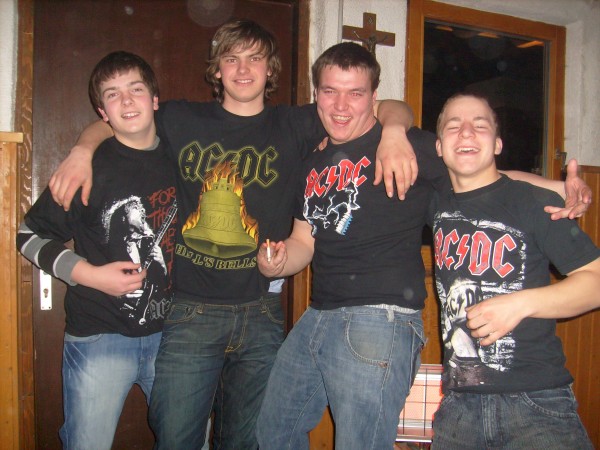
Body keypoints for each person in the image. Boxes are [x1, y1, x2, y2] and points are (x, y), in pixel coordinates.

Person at [45, 20, 418, 450]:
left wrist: (394, 132)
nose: (243, 69)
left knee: (245, 441)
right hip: (191, 312)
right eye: (231, 58)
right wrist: (82, 150)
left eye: (254, 58)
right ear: (217, 68)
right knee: (177, 439)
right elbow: (122, 119)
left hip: (261, 312)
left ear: (270, 68)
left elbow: (383, 106)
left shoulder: (295, 123)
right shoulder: (181, 118)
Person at [254, 44, 594, 450]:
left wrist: (559, 187)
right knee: (273, 431)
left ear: (374, 99)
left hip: (379, 316)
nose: (341, 105)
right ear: (317, 95)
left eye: (355, 93)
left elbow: (483, 174)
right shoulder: (312, 163)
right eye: (330, 91)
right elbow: (303, 241)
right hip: (318, 314)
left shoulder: (405, 144)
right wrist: (277, 263)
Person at [16, 51, 177, 450]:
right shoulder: (88, 168)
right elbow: (28, 236)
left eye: (136, 89)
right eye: (113, 94)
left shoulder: (183, 153)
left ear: (155, 99)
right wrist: (89, 275)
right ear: (102, 112)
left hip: (176, 337)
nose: (127, 101)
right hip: (98, 336)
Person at [429, 93, 599, 449]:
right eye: (454, 126)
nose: (466, 132)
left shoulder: (535, 203)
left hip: (535, 401)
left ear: (497, 144)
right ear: (439, 147)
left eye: (480, 125)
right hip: (459, 407)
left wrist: (519, 304)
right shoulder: (434, 200)